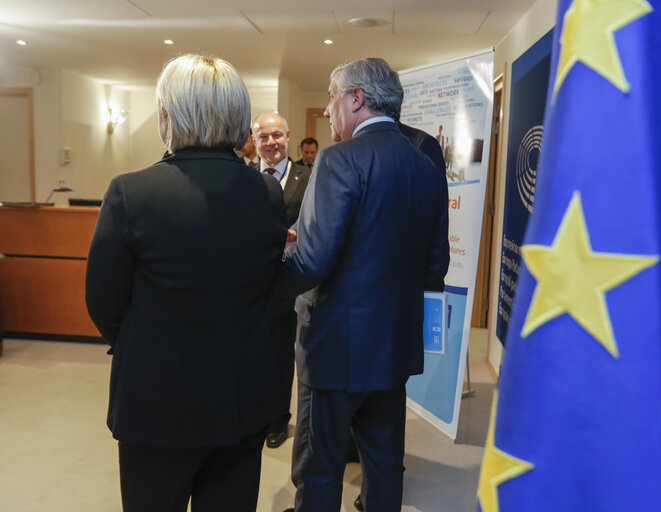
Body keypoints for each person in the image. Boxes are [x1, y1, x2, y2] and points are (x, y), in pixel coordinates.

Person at [85, 53, 287, 512]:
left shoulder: (130, 192)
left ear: (168, 115)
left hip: (156, 401)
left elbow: (104, 305)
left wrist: (148, 340)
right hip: (244, 395)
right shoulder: (267, 193)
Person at [279, 57, 449, 512]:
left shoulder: (337, 159)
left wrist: (273, 276)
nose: (330, 112)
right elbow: (437, 265)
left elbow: (312, 260)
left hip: (335, 348)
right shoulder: (426, 166)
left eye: (333, 99)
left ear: (357, 98)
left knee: (319, 470)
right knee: (384, 463)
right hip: (394, 345)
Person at [252, 112, 311, 448]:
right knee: (252, 354)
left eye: (276, 135)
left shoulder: (310, 176)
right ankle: (254, 414)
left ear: (288, 136)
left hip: (292, 282)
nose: (271, 143)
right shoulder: (243, 178)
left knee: (281, 355)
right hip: (251, 282)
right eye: (264, 137)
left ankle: (277, 420)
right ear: (255, 141)